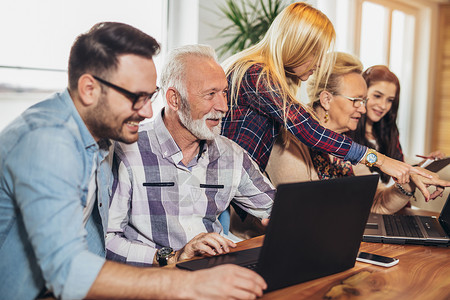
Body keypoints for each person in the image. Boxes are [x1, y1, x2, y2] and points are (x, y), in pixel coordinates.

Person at [0, 23, 267, 300]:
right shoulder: (47, 142)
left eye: (150, 96)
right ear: (89, 89)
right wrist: (187, 283)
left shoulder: (101, 140)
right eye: (136, 98)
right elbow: (68, 272)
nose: (149, 110)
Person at [220, 2, 428, 184]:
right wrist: (380, 160)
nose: (320, 63)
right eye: (316, 53)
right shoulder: (257, 74)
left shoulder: (262, 75)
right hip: (220, 194)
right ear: (297, 45)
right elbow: (310, 131)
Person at [106, 44, 274, 267]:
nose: (224, 106)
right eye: (210, 94)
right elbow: (106, 240)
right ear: (174, 100)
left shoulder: (231, 154)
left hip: (212, 275)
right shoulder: (127, 149)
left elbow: (276, 208)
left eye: (224, 93)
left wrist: (287, 219)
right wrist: (173, 257)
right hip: (152, 279)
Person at [266, 52, 449, 214]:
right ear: (327, 99)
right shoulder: (288, 141)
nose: (363, 109)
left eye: (364, 100)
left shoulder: (347, 143)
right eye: (356, 100)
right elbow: (301, 212)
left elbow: (377, 203)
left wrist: (407, 181)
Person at [347, 65, 446, 184]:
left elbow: (399, 167)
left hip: (392, 197)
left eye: (390, 100)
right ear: (362, 93)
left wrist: (427, 164)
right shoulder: (347, 130)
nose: (383, 106)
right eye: (377, 96)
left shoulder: (389, 131)